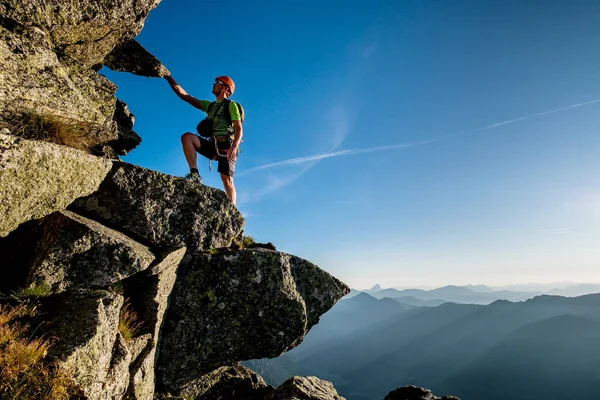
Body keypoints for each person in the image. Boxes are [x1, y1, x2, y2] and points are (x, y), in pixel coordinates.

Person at [164, 74, 243, 205]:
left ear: (225, 88)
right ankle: (194, 174)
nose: (214, 84)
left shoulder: (231, 105)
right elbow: (185, 96)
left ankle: (232, 212)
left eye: (218, 82)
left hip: (227, 145)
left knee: (226, 179)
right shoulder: (210, 106)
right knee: (187, 137)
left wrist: (234, 147)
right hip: (213, 144)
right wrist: (168, 78)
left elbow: (239, 129)